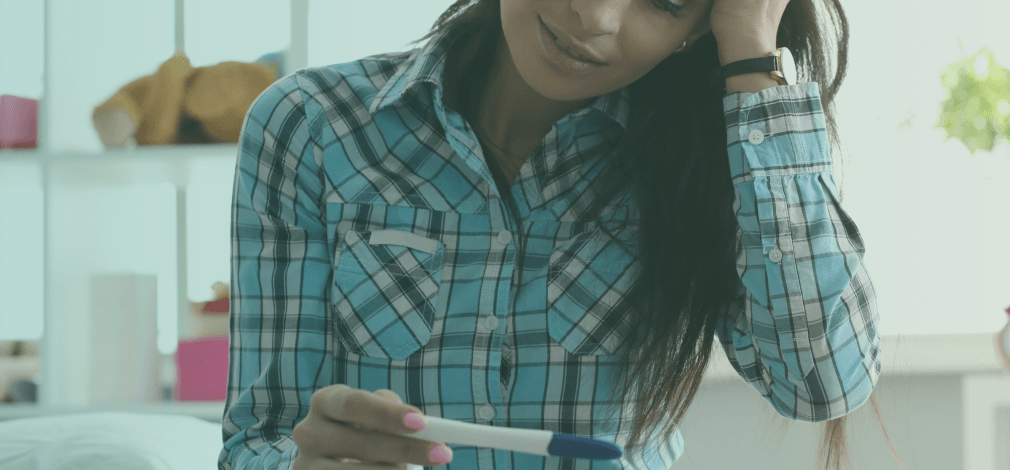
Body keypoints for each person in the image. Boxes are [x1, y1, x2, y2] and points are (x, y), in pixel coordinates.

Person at [220, 0, 890, 469]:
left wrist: (751, 54)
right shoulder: (313, 127)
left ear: (697, 27)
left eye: (663, 0)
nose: (595, 17)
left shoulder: (712, 159)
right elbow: (257, 442)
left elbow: (822, 382)